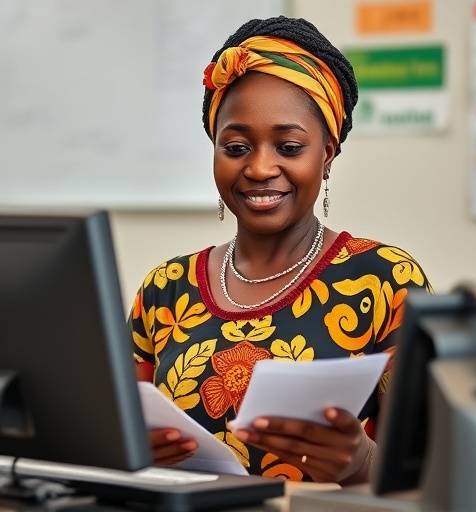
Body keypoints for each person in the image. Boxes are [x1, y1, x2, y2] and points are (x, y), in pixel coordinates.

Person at [130, 15, 431, 485]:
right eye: (235, 147)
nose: (260, 167)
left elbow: (433, 480)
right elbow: (113, 445)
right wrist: (128, 453)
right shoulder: (165, 289)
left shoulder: (387, 280)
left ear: (327, 154)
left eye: (289, 147)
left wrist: (362, 464)